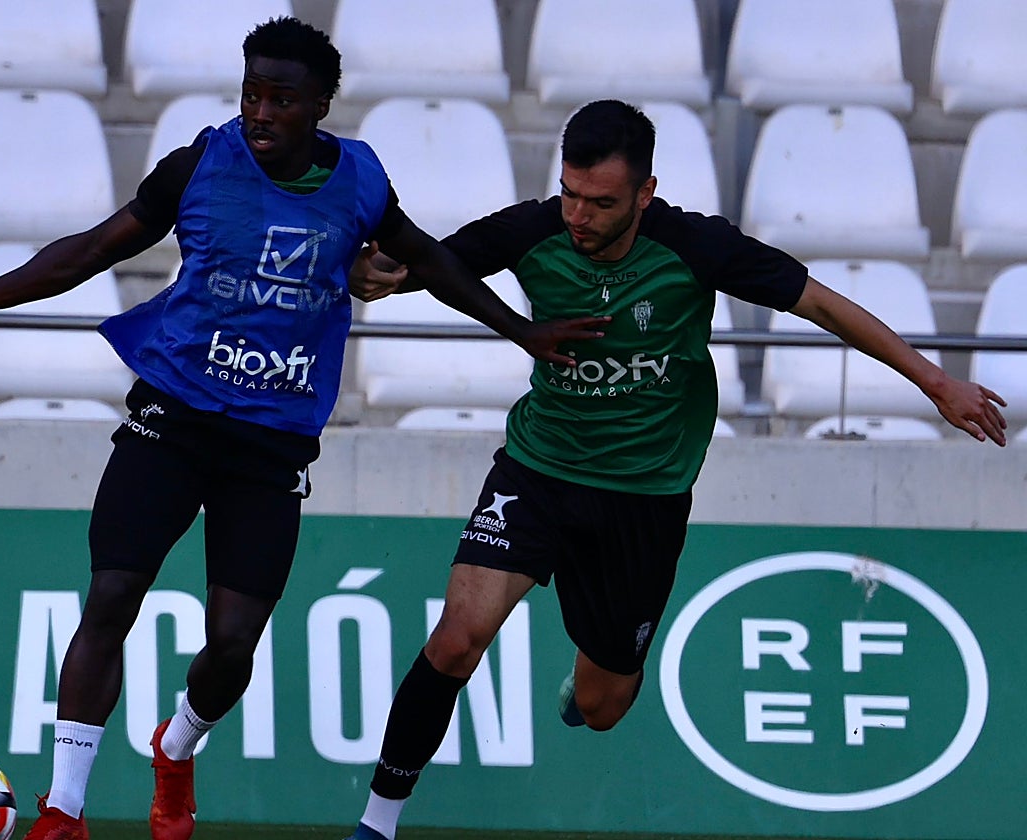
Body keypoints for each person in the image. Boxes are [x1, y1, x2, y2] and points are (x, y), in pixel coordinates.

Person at [0, 17, 605, 840]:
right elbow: (96, 246)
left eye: (282, 99)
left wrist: (518, 330)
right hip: (173, 415)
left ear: (319, 106)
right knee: (112, 596)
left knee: (232, 646)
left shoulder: (362, 181)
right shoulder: (201, 163)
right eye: (251, 93)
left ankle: (177, 743)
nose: (260, 112)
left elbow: (436, 263)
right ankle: (65, 808)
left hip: (271, 444)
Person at [343, 99, 1009, 840]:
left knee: (601, 709)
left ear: (645, 194)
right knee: (457, 640)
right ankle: (377, 824)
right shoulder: (531, 229)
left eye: (600, 202)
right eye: (569, 192)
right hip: (539, 470)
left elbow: (819, 303)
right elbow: (427, 264)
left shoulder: (695, 246)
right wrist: (374, 275)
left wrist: (935, 381)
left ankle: (585, 677)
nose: (578, 215)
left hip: (643, 499)